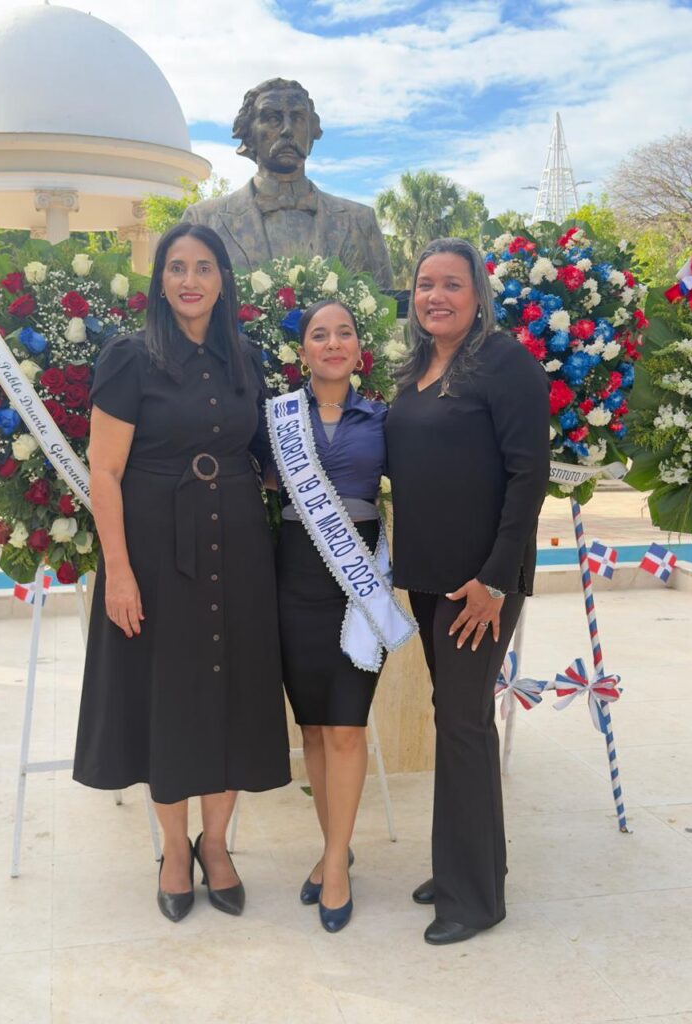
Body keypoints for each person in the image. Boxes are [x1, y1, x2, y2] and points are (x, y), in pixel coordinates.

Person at [73, 223, 290, 923]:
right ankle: (173, 849)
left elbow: (267, 453)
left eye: (203, 266)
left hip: (240, 547)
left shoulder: (245, 359)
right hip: (156, 551)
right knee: (166, 698)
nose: (190, 279)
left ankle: (217, 844)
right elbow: (103, 472)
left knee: (230, 693)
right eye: (176, 267)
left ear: (223, 279)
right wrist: (120, 574)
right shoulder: (129, 358)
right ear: (160, 281)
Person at [385, 238, 549, 945]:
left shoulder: (505, 363)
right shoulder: (418, 366)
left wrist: (493, 578)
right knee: (455, 717)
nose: (436, 297)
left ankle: (475, 897)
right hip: (428, 578)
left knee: (461, 722)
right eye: (425, 285)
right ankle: (465, 863)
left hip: (478, 584)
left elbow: (528, 475)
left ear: (478, 293)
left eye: (452, 284)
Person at [268, 299, 415, 933]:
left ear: (360, 348)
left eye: (344, 333)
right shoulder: (274, 418)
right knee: (314, 730)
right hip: (293, 578)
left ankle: (333, 865)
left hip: (358, 584)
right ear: (301, 350)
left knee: (347, 727)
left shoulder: (386, 420)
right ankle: (337, 849)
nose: (332, 343)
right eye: (318, 335)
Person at [182, 78, 393, 289]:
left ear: (312, 132)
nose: (287, 130)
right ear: (249, 134)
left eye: (298, 118)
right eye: (273, 118)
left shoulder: (359, 221)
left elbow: (387, 311)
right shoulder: (204, 220)